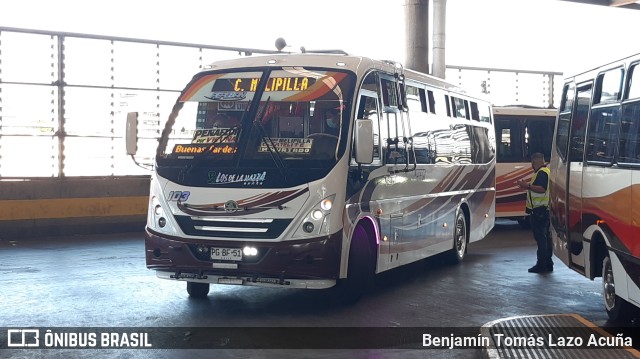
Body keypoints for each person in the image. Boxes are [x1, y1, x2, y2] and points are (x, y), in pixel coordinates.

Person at [516, 152, 553, 273]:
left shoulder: (541, 173)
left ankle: (541, 264)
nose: (531, 165)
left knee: (541, 238)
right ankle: (548, 263)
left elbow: (541, 189)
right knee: (546, 237)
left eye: (532, 163)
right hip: (544, 209)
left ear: (535, 162)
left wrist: (526, 186)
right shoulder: (546, 171)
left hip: (539, 211)